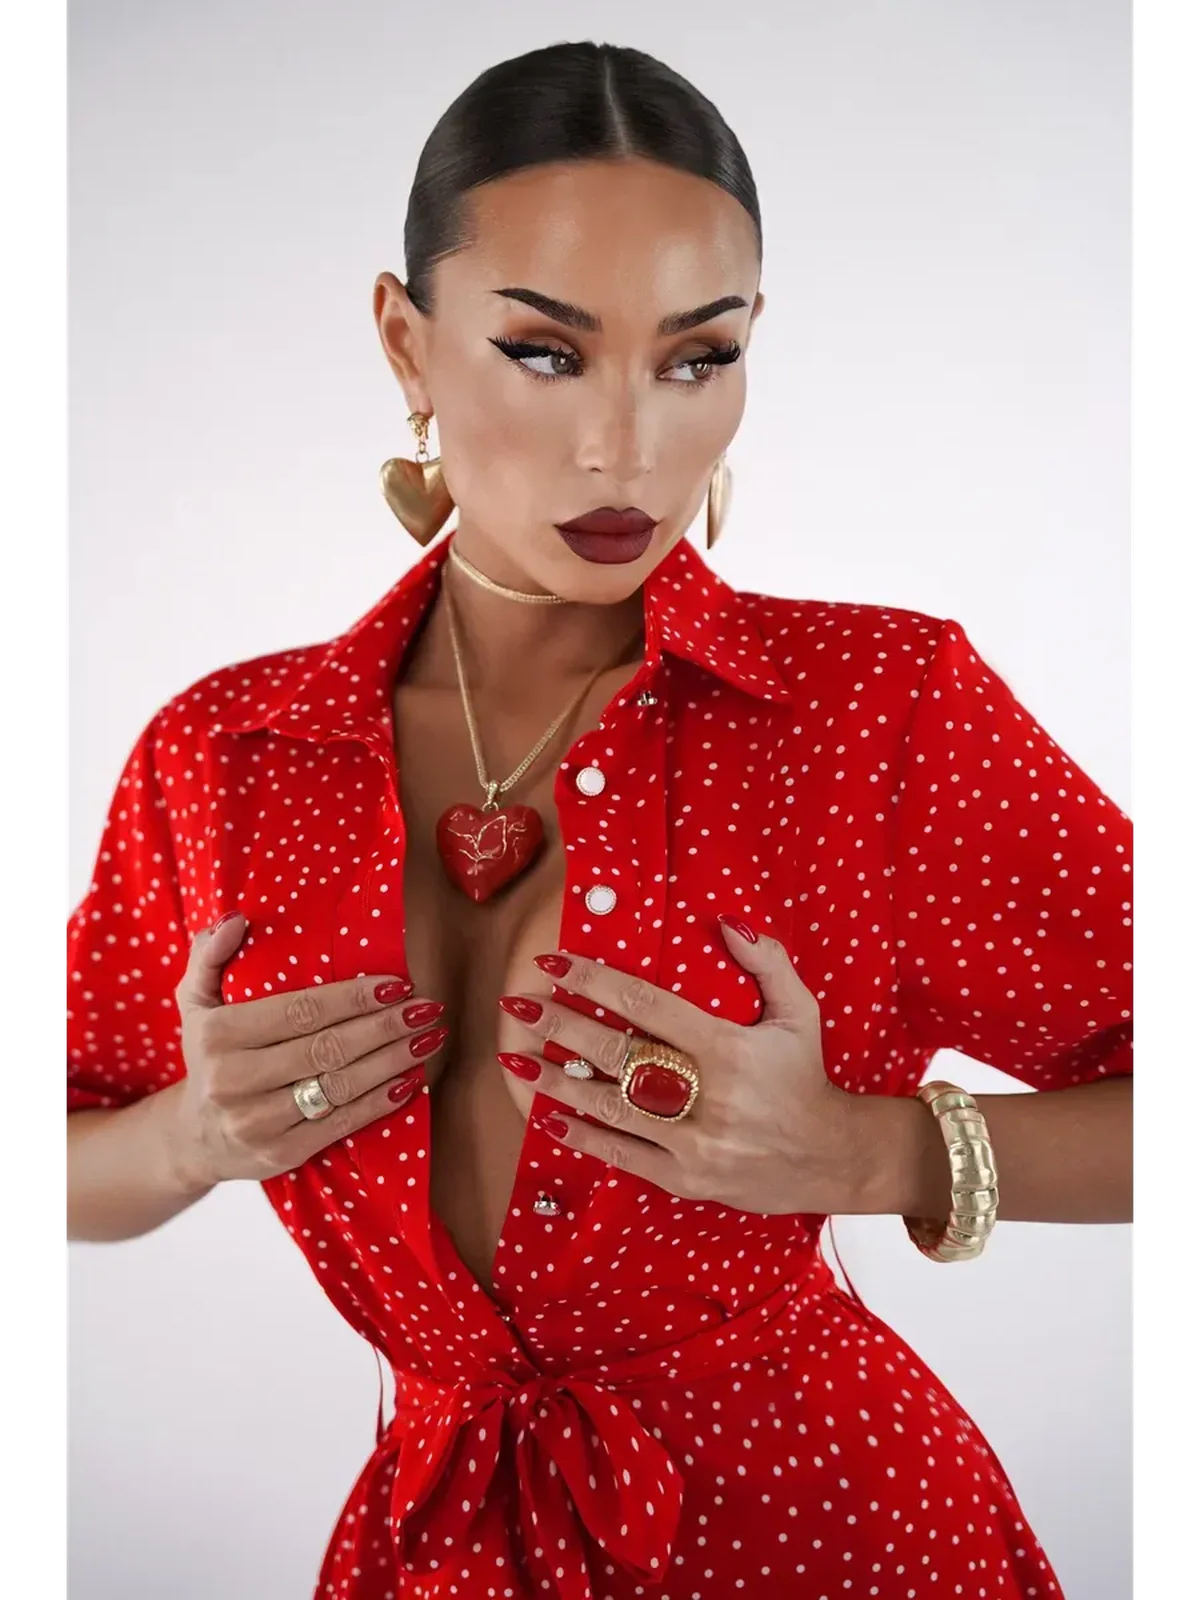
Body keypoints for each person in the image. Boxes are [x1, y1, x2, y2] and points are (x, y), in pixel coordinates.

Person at [65, 39, 1134, 1600]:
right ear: (407, 344)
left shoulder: (878, 712)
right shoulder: (226, 759)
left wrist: (874, 1151)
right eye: (545, 352)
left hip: (840, 1540)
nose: (625, 445)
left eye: (698, 358)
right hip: (437, 1552)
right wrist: (189, 1137)